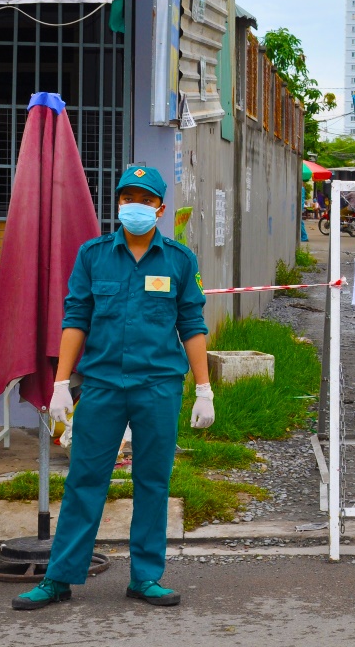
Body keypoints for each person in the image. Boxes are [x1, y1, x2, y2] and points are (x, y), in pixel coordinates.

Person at [13, 165, 214, 610]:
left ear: (160, 208)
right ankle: (59, 577)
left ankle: (146, 577)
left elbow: (192, 325)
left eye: (145, 200)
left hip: (158, 386)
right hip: (102, 385)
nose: (135, 206)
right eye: (128, 198)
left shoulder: (179, 260)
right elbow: (75, 319)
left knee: (152, 481)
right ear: (118, 203)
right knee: (85, 479)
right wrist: (61, 383)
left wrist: (204, 390)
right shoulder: (93, 255)